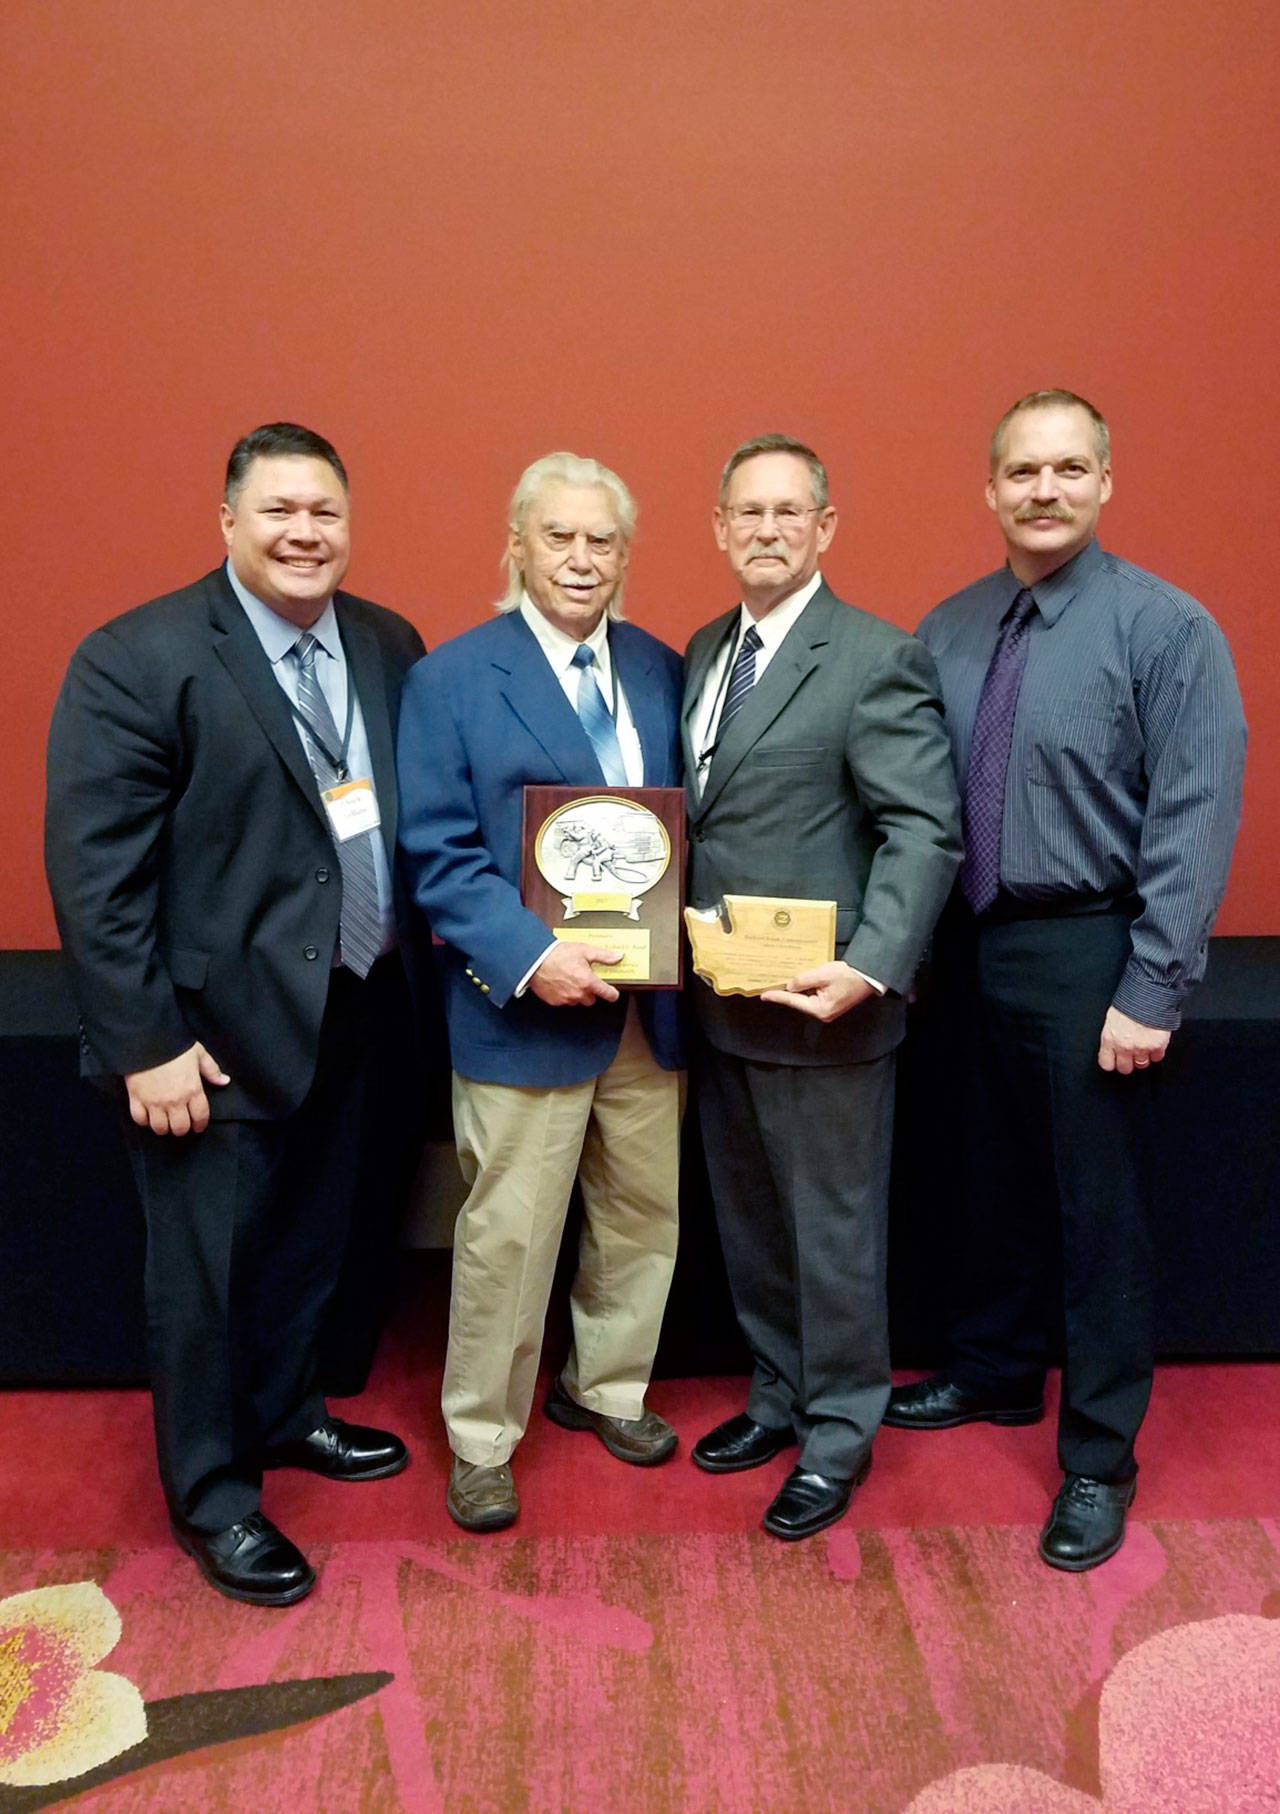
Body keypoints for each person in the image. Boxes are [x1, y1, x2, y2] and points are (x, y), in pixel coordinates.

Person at [45, 423, 425, 1606]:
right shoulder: (138, 655)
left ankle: (288, 1409)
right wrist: (145, 1040)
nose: (304, 533)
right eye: (278, 511)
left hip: (352, 1005)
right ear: (227, 522)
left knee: (309, 1242)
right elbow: (95, 875)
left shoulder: (386, 641)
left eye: (324, 511)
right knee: (202, 1278)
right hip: (205, 1034)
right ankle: (214, 1493)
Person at [888, 389, 1247, 1570]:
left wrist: (1151, 987)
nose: (1043, 489)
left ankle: (1097, 1454)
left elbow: (1193, 814)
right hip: (967, 944)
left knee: (1099, 1215)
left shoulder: (1165, 627)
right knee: (983, 1177)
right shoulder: (946, 628)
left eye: (1067, 468)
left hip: (1089, 943)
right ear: (989, 489)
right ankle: (992, 1371)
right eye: (1022, 471)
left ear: (1103, 482)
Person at [396, 451, 684, 1533]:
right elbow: (438, 851)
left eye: (601, 539)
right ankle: (482, 1435)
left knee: (641, 1213)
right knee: (509, 1237)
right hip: (522, 1007)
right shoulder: (452, 678)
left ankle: (605, 1385)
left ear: (625, 553)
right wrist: (530, 957)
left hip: (647, 1011)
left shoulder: (662, 669)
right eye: (557, 536)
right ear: (516, 545)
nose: (580, 557)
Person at [683, 433, 962, 1540]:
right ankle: (776, 1395)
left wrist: (872, 965)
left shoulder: (874, 657)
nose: (766, 530)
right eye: (747, 512)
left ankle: (839, 1430)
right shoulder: (706, 649)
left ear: (824, 527)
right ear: (719, 528)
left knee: (832, 1237)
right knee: (752, 1224)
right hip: (722, 1001)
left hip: (826, 1008)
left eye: (787, 512)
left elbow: (922, 829)